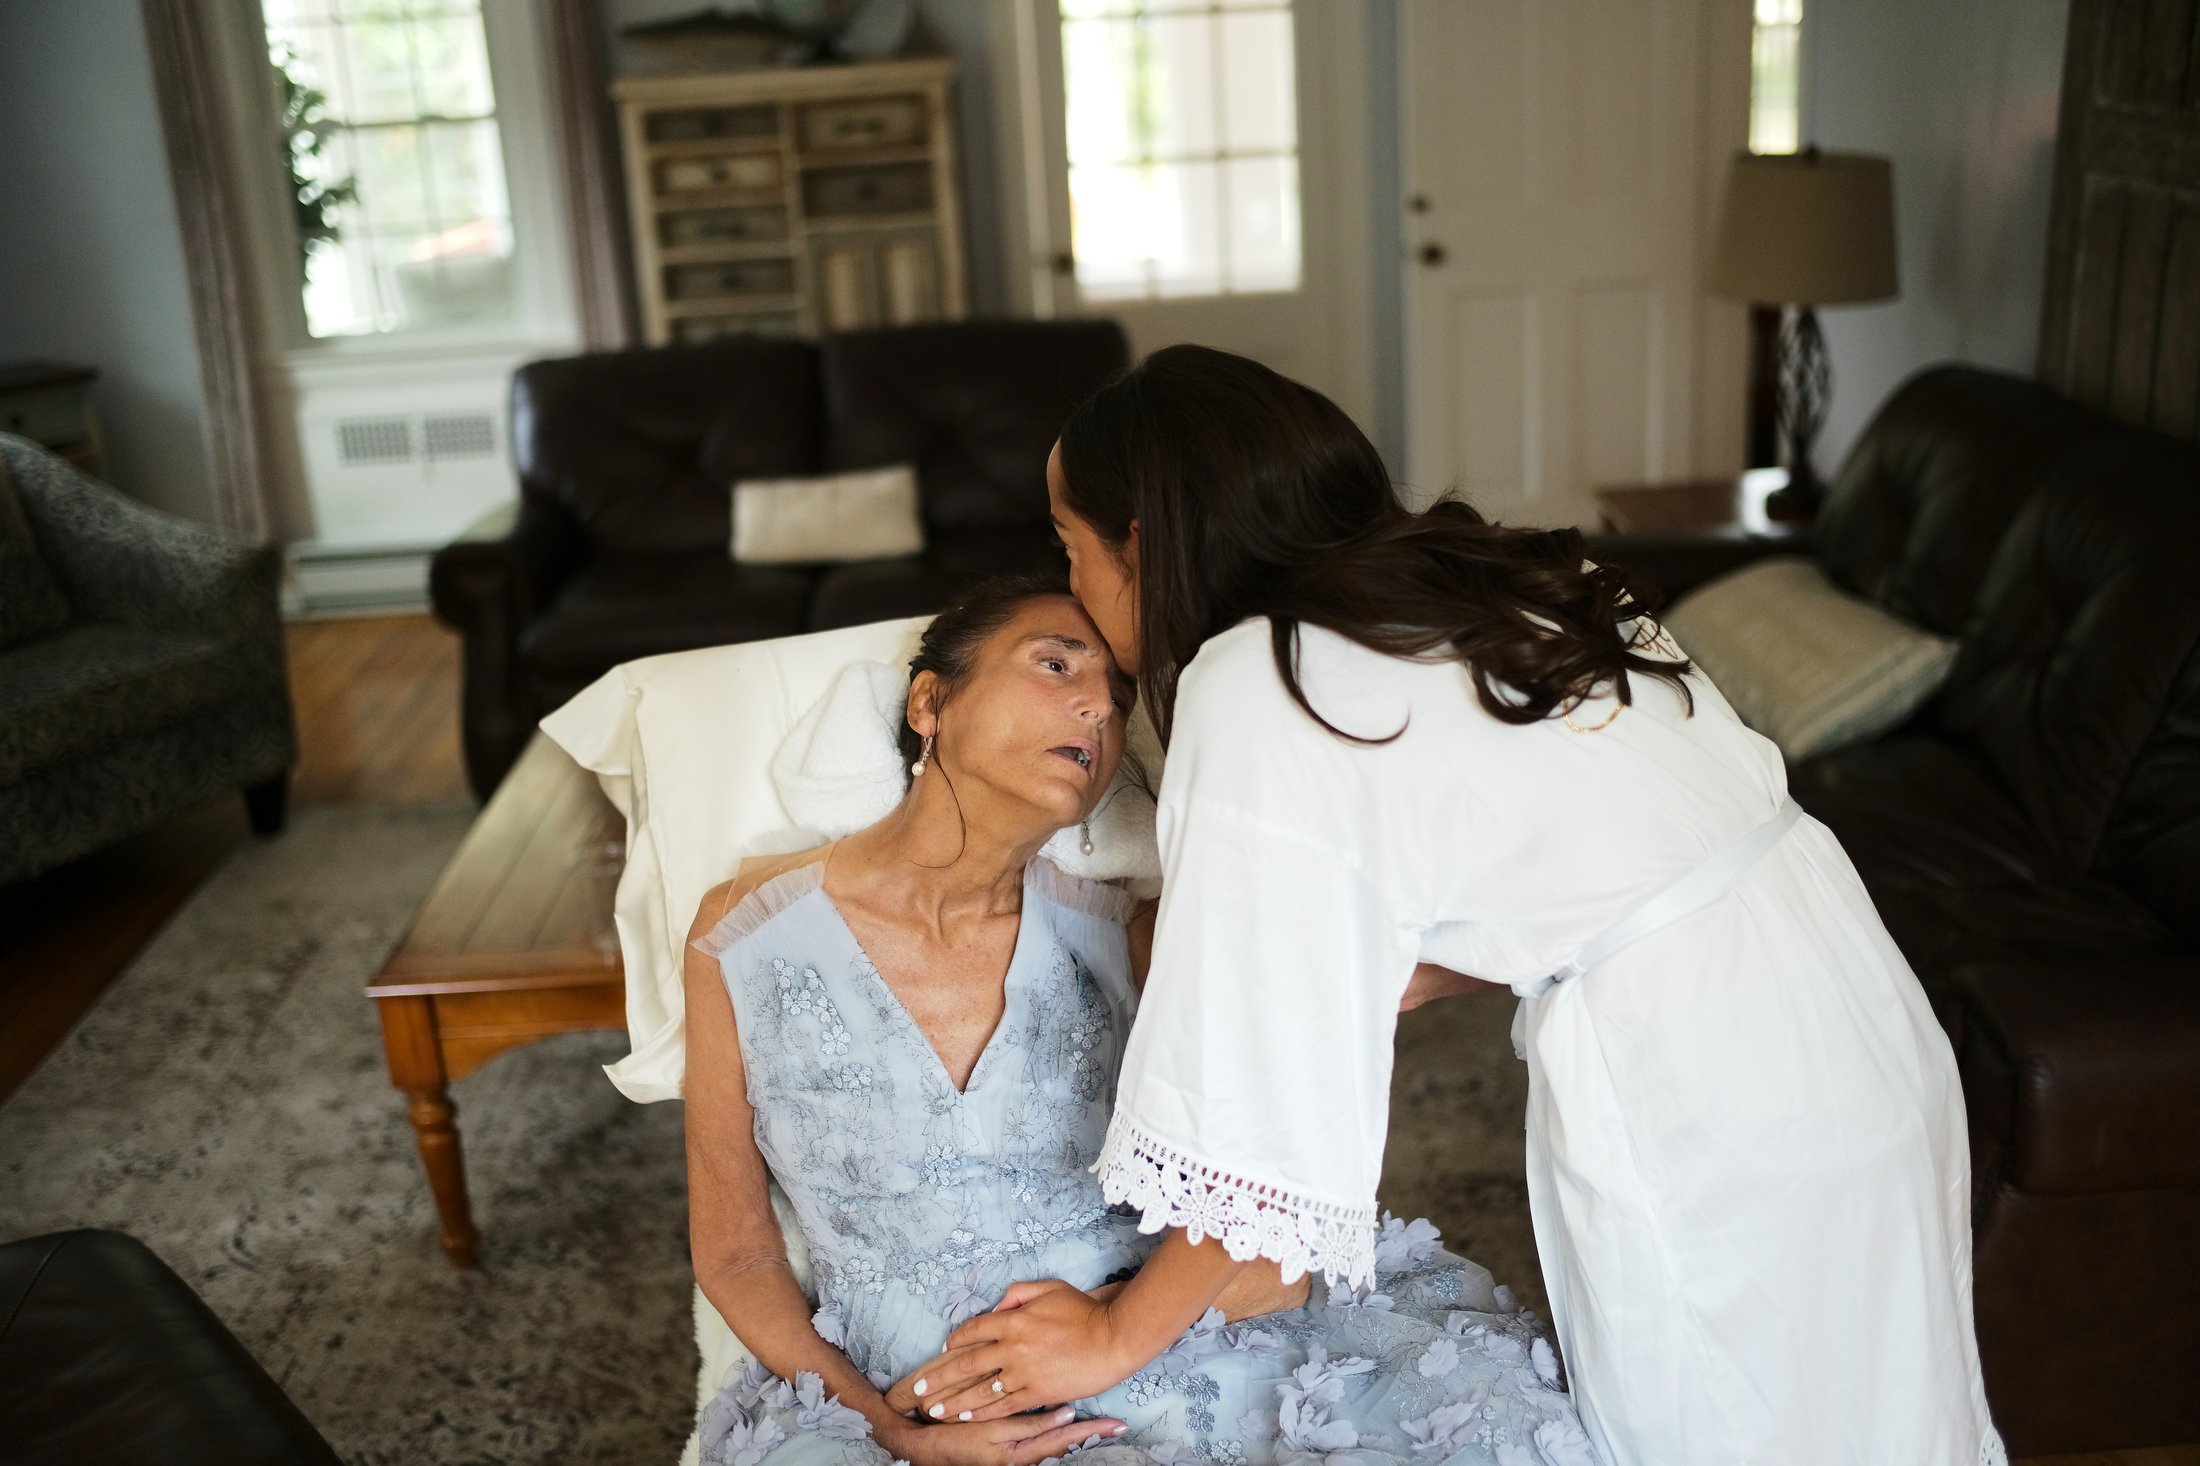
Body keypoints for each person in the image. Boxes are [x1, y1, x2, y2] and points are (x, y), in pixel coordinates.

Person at [927, 347, 2004, 1466]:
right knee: (1888, 1406)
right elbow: (1607, 846)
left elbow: (1257, 1121)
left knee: (1727, 1422)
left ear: (1143, 544)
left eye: (1070, 547)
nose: (1079, 597)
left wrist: (1111, 1331)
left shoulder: (1263, 680)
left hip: (1711, 1089)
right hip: (1854, 994)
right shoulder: (1489, 578)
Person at [681, 577, 1592, 1466]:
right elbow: (736, 1253)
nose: (1095, 713)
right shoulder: (743, 933)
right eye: (1055, 666)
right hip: (898, 1397)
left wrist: (1598, 920)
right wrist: (888, 1431)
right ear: (930, 701)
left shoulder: (1132, 934)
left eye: (1117, 702)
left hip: (1168, 1344)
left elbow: (1376, 985)